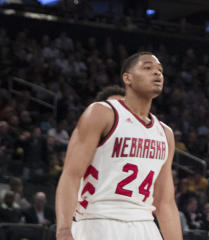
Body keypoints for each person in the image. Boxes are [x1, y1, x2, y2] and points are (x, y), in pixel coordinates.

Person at [54, 52, 181, 240]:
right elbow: (71, 176)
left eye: (160, 70)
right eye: (148, 68)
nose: (157, 73)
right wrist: (64, 230)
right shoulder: (101, 113)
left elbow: (165, 201)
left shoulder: (165, 133)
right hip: (98, 220)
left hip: (144, 225)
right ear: (127, 78)